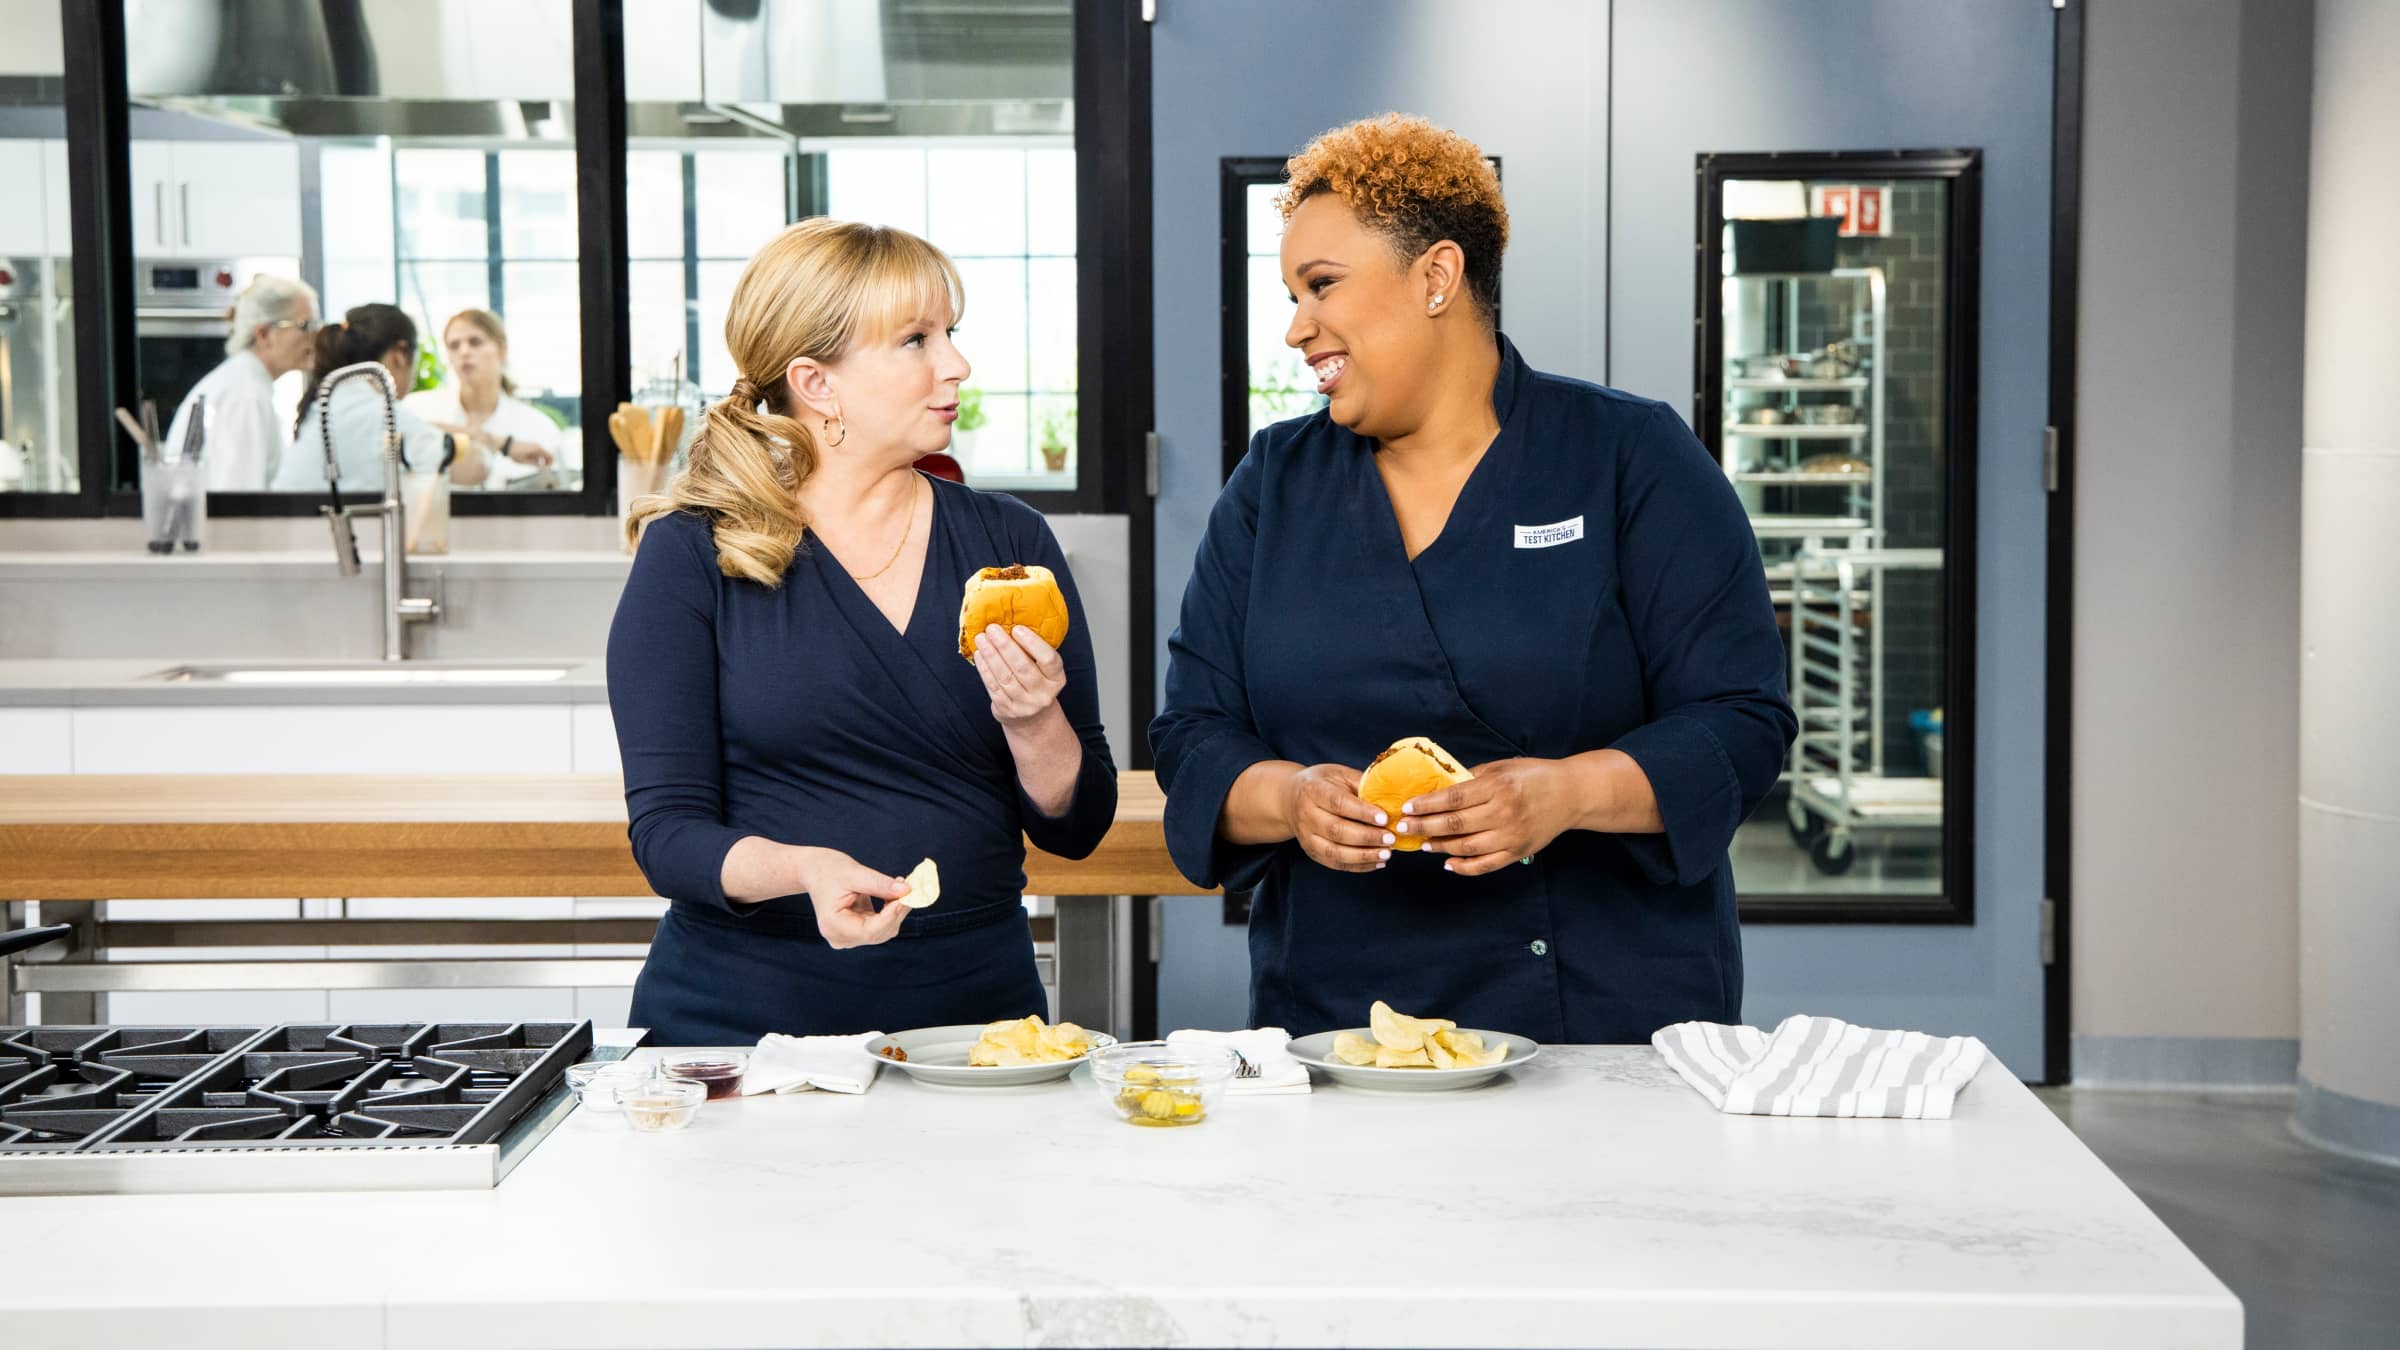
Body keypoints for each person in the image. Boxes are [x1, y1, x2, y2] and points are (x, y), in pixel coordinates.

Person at [1150, 114, 1797, 1045]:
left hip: (1599, 1020)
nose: (1297, 329)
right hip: (1341, 1025)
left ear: (1437, 278)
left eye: (1322, 286)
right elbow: (1194, 733)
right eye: (1292, 294)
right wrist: (1292, 799)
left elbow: (1741, 720)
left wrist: (1565, 794)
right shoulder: (1275, 484)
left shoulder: (1628, 457)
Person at [609, 218, 1118, 1045]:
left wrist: (1034, 721)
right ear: (817, 383)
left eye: (950, 334)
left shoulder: (1010, 546)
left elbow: (1078, 822)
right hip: (741, 1027)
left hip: (976, 1027)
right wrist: (801, 869)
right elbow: (669, 834)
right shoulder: (692, 554)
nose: (955, 363)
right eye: (916, 340)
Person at [275, 304, 488, 491]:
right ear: (400, 355)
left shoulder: (340, 399)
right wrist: (477, 438)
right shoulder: (376, 412)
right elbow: (476, 466)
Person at [161, 274, 317, 490]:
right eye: (305, 325)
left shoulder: (244, 382)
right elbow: (241, 501)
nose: (315, 336)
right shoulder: (246, 395)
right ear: (264, 334)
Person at [402, 308, 559, 488]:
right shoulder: (418, 409)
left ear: (502, 350)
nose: (464, 352)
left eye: (475, 342)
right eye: (454, 346)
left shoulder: (539, 428)